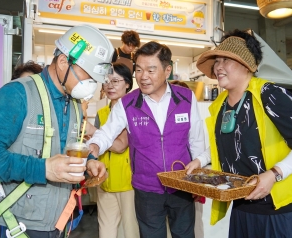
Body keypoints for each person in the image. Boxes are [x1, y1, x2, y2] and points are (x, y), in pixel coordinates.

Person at [0, 24, 114, 238]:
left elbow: (65, 149)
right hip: (13, 224)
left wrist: (89, 161)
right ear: (64, 62)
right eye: (89, 77)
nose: (91, 86)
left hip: (58, 223)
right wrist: (43, 169)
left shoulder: (73, 104)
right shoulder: (17, 94)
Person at [196, 29, 292, 237]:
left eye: (226, 59)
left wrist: (275, 174)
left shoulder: (270, 94)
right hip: (242, 207)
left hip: (278, 211)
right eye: (217, 61)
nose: (218, 66)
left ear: (246, 64)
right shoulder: (220, 105)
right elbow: (225, 143)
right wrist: (200, 160)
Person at [88, 41, 209, 238]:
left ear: (167, 70)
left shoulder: (186, 98)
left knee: (184, 234)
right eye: (139, 70)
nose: (143, 77)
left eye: (151, 70)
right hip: (146, 190)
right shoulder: (127, 103)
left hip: (182, 186)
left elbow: (196, 141)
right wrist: (93, 146)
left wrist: (198, 181)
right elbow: (107, 133)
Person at [93, 63, 139, 238]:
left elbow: (121, 146)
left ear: (127, 83)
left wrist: (93, 131)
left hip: (129, 183)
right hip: (104, 181)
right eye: (106, 81)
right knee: (106, 232)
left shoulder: (133, 111)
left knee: (130, 232)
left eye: (116, 81)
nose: (110, 85)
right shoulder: (101, 113)